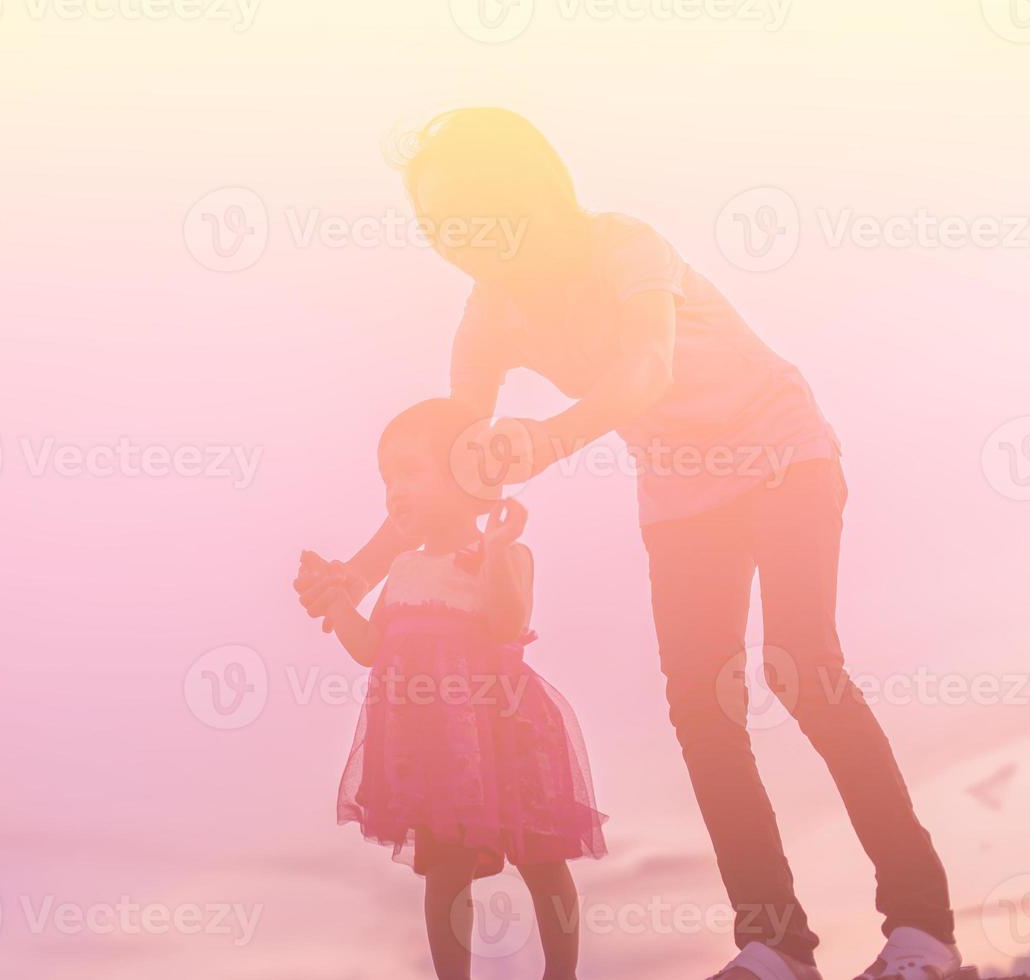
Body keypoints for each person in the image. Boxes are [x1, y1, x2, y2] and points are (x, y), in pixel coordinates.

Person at [294, 108, 964, 980]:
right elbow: (453, 468)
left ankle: (922, 933)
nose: (448, 237)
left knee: (802, 668)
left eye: (459, 209)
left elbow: (648, 369)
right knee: (701, 707)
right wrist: (360, 569)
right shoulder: (488, 315)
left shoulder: (623, 249)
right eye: (432, 223)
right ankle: (775, 946)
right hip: (683, 495)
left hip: (781, 450)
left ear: (526, 189)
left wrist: (549, 439)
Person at [304, 398, 606, 980]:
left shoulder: (505, 553)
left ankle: (562, 974)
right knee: (445, 863)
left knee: (540, 856)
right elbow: (371, 647)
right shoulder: (403, 569)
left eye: (410, 471)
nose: (396, 489)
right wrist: (338, 598)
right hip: (435, 743)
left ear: (463, 474)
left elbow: (506, 623)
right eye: (387, 478)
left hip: (503, 727)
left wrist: (493, 552)